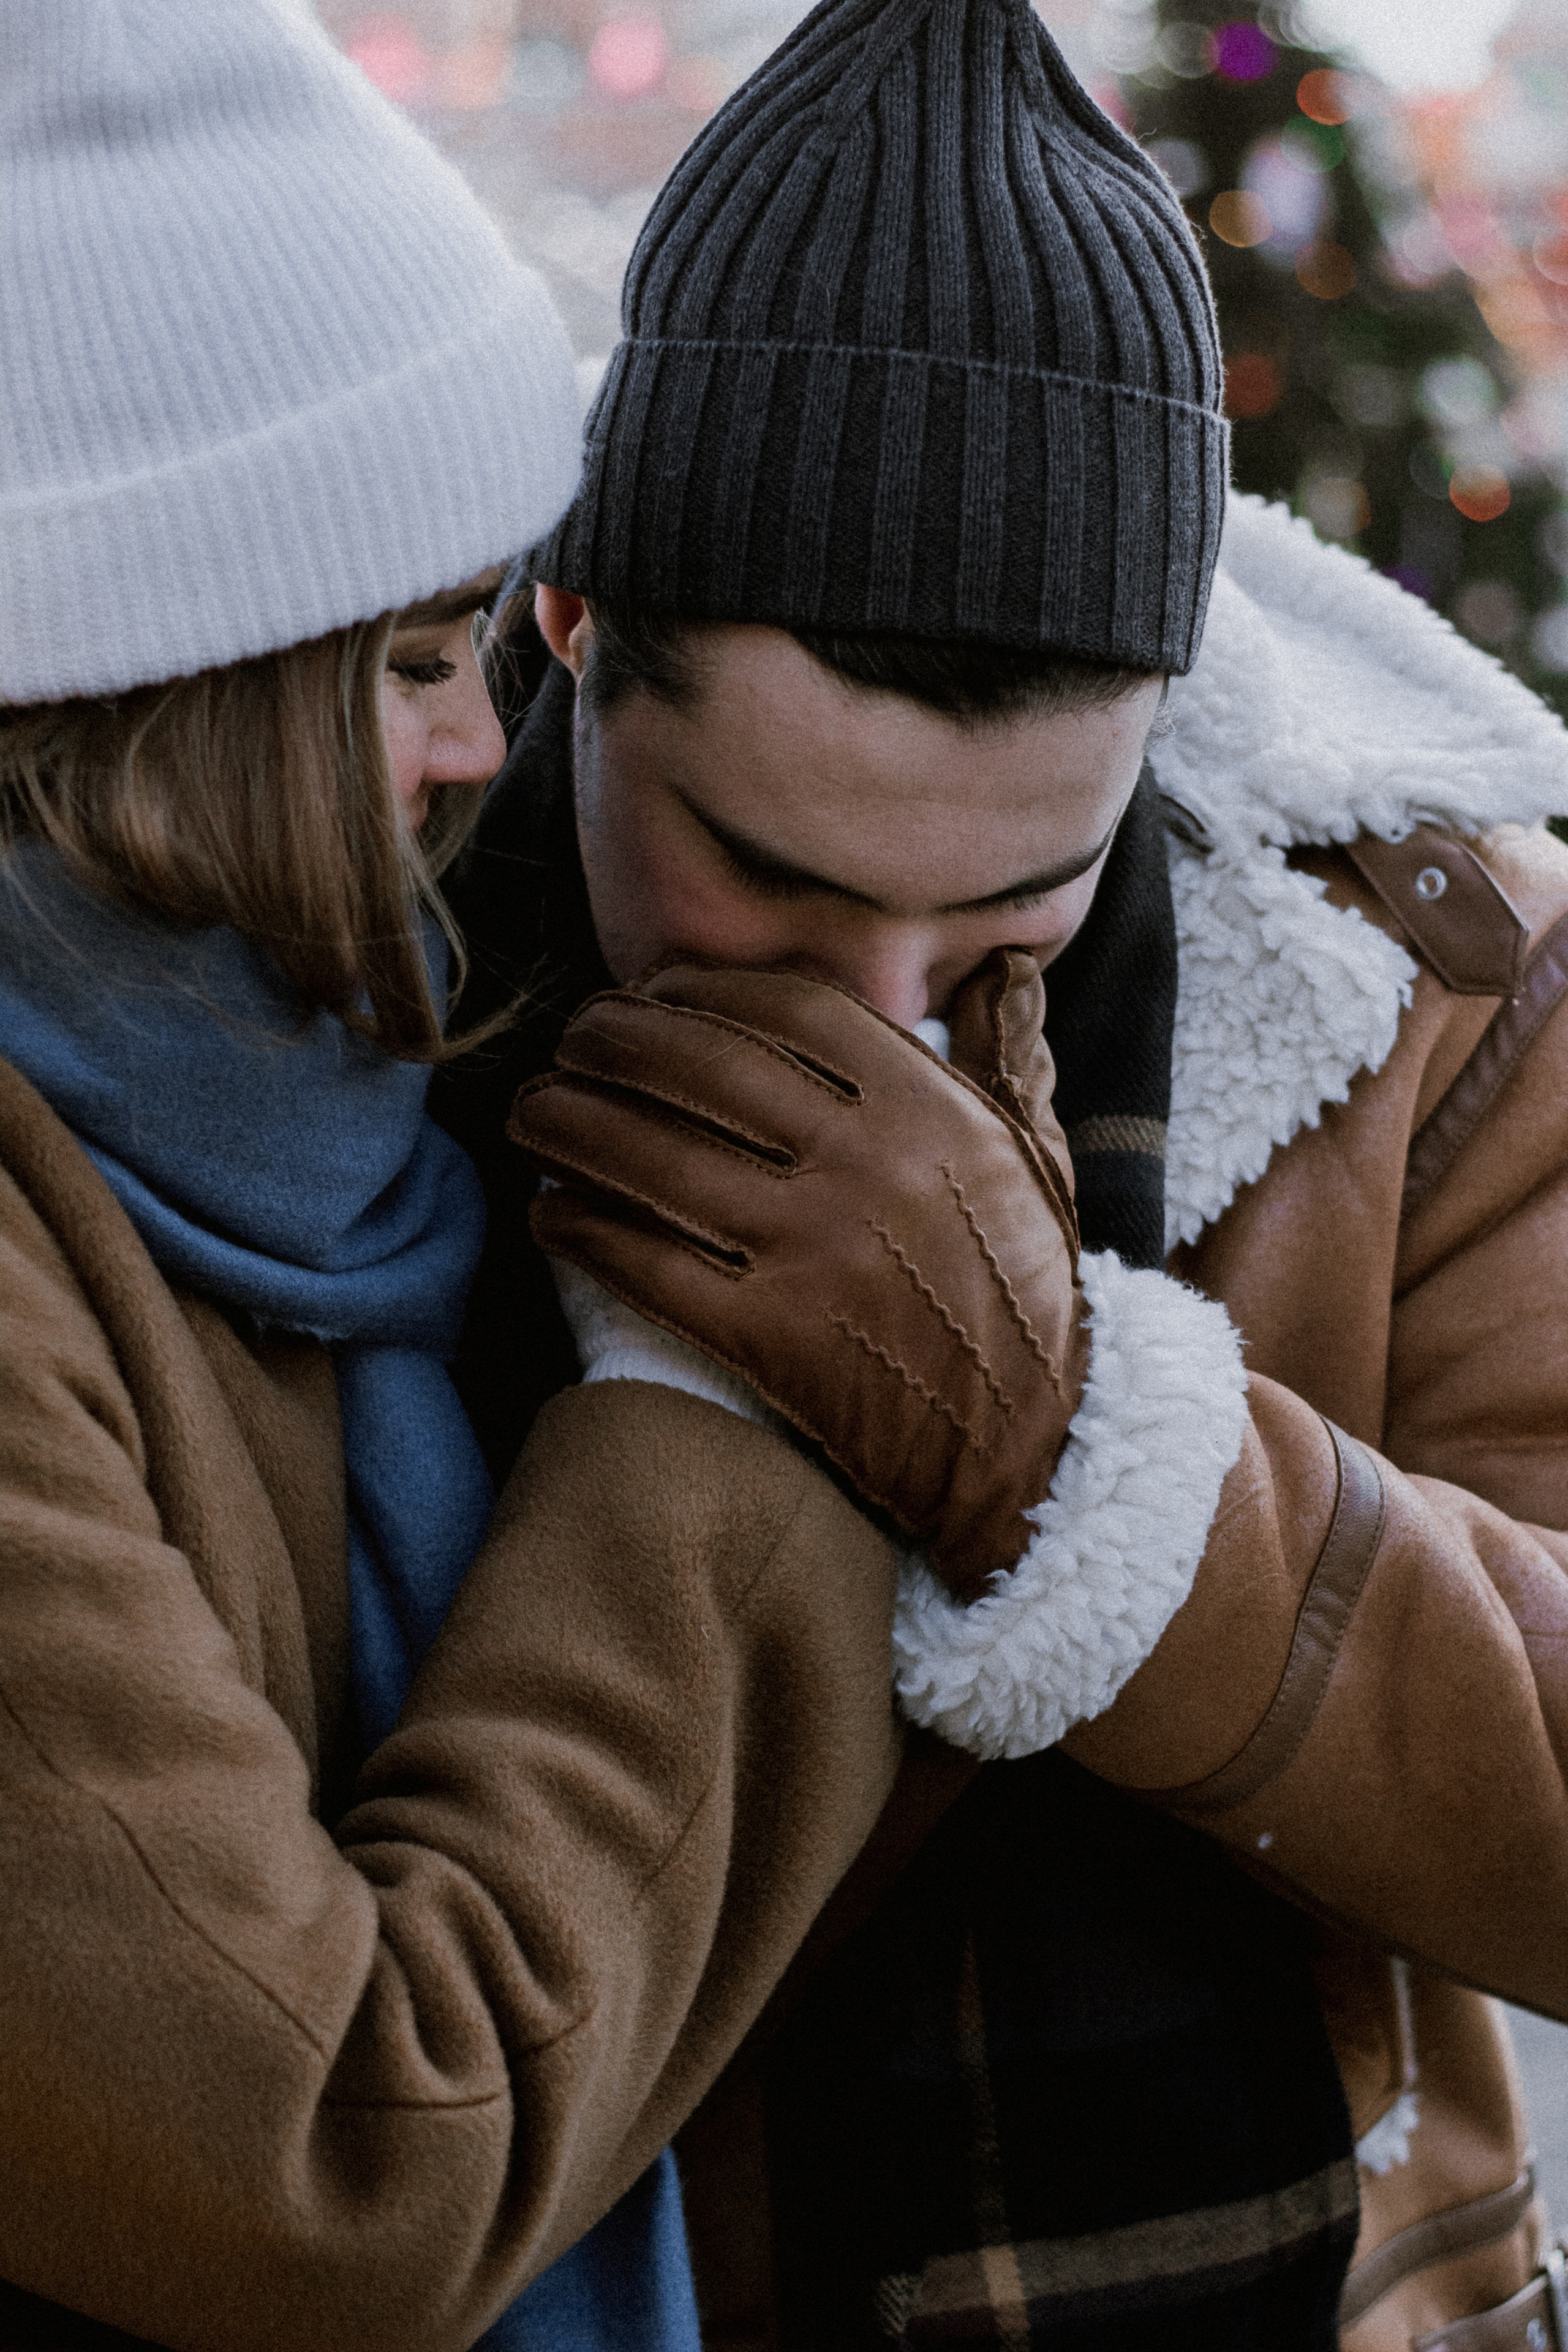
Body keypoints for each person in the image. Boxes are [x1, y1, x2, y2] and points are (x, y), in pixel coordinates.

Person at [437, 1, 1568, 2345]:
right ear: (571, 623)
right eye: (772, 879)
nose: (881, 1010)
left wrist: (1081, 1456)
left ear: (1159, 726)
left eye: (1009, 914)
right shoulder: (337, 941)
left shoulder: (1442, 984)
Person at [0, 5, 921, 2345]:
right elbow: (328, 2155)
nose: (480, 742)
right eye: (414, 658)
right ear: (166, 686)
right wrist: (726, 1409)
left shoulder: (296, 1079)